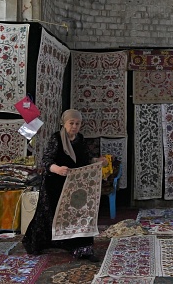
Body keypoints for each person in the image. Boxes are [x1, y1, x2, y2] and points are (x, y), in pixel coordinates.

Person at [22, 109, 106, 261]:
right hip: (55, 185)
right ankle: (53, 242)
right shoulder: (56, 139)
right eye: (71, 123)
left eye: (77, 123)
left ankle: (81, 248)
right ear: (64, 123)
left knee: (80, 215)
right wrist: (58, 169)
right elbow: (46, 161)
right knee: (52, 217)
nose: (74, 126)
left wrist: (97, 161)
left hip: (75, 186)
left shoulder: (80, 139)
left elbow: (85, 161)